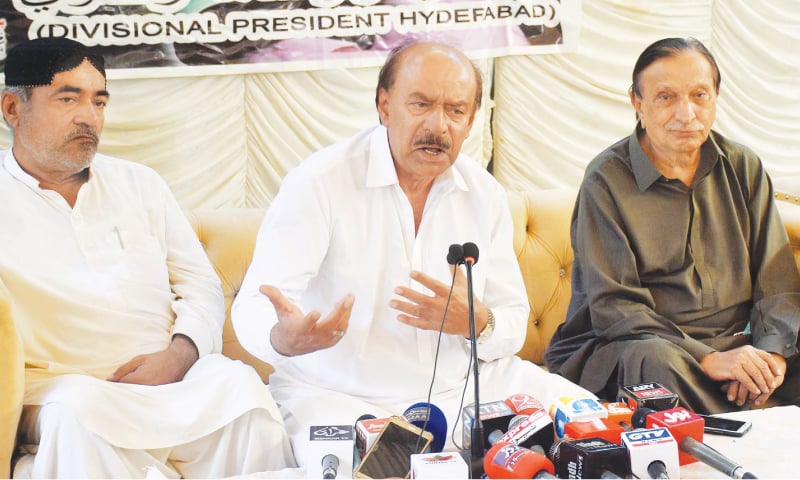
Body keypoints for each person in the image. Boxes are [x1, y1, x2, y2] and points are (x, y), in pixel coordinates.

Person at [231, 41, 592, 464]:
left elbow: (510, 323)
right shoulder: (320, 182)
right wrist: (285, 338)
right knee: (371, 469)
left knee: (593, 429)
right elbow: (255, 304)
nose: (438, 126)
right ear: (384, 106)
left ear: (472, 120)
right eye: (420, 104)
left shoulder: (484, 195)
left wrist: (478, 322)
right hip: (339, 396)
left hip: (463, 391)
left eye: (455, 111)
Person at [0, 37, 295, 478]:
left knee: (240, 392)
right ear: (12, 108)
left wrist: (181, 353)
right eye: (68, 98)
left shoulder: (140, 184)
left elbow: (200, 284)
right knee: (75, 414)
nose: (89, 117)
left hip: (173, 380)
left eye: (99, 101)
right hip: (69, 387)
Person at [545, 37, 800, 414]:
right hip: (635, 344)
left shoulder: (743, 166)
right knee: (654, 364)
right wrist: (708, 359)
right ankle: (750, 429)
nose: (686, 113)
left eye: (699, 95)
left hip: (735, 345)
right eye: (666, 97)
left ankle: (750, 415)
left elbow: (777, 284)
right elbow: (616, 308)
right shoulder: (606, 179)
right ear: (637, 103)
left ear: (715, 97)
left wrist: (771, 357)